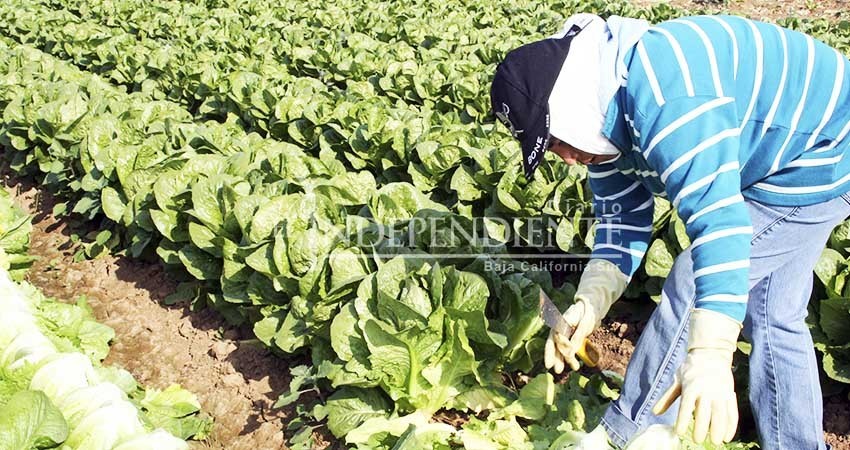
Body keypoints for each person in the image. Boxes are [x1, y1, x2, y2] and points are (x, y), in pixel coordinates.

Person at [489, 12, 850, 450]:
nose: (565, 157)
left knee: (693, 280)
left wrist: (711, 354)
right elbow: (621, 219)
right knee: (774, 312)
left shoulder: (664, 95)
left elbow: (719, 222)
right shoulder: (602, 116)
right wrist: (591, 299)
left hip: (822, 148)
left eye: (558, 138)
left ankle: (628, 434)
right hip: (785, 148)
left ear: (571, 104)